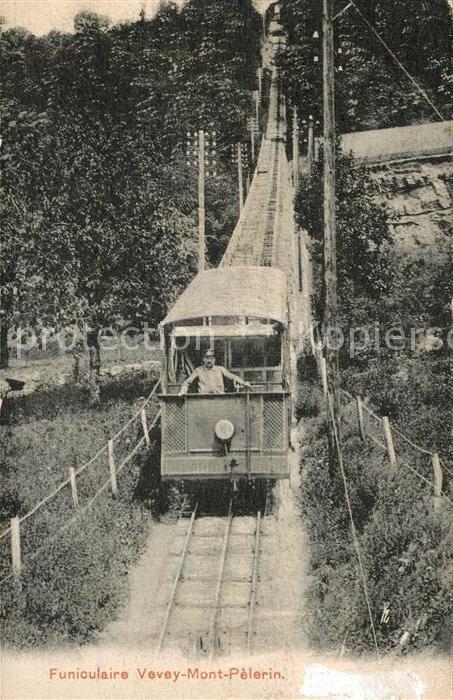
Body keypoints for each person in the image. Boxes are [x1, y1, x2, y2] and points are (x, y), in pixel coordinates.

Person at [178, 349, 252, 395]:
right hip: (203, 400)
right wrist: (182, 391)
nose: (209, 360)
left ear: (214, 360)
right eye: (207, 358)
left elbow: (233, 377)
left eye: (211, 358)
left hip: (219, 398)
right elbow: (187, 382)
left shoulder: (220, 369)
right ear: (203, 359)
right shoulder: (198, 370)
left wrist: (243, 382)